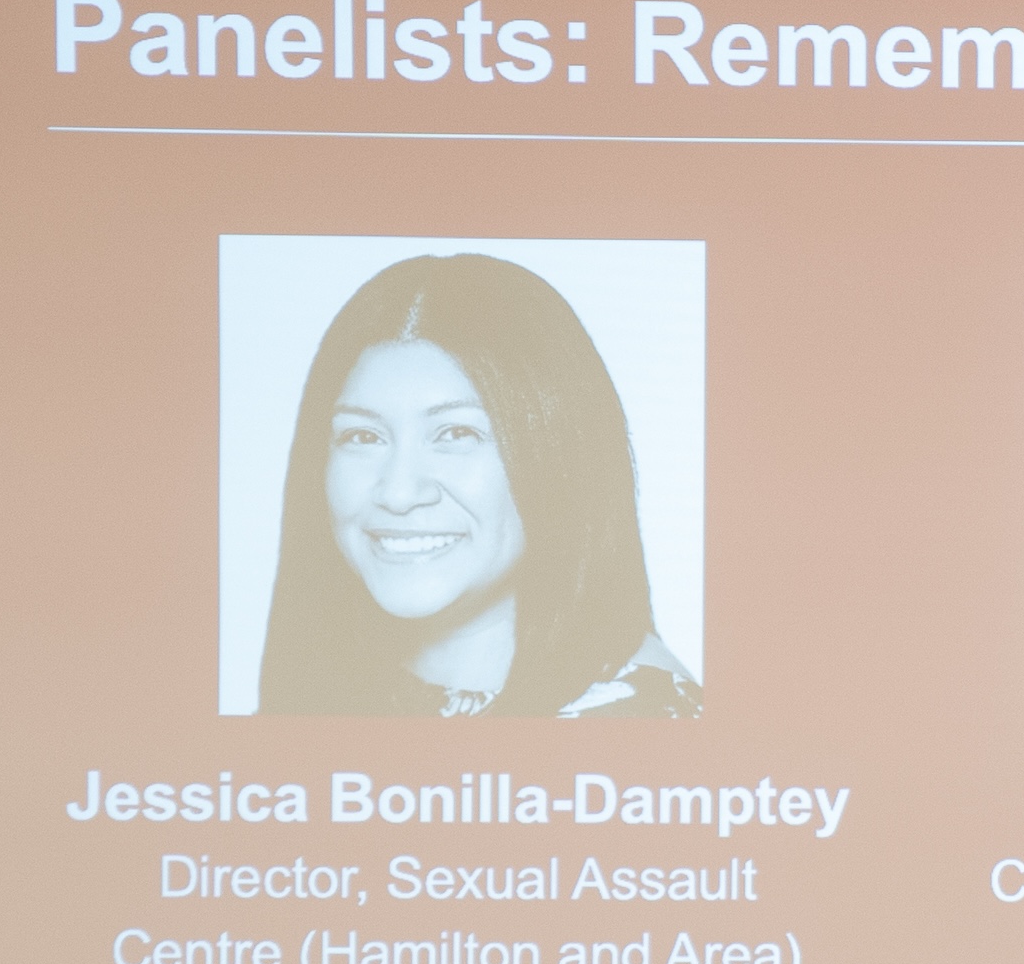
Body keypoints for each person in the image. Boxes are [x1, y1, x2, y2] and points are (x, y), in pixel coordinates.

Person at [253, 251, 701, 719]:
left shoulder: (637, 730)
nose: (399, 493)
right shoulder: (333, 684)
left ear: (558, 456)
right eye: (363, 436)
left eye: (457, 434)